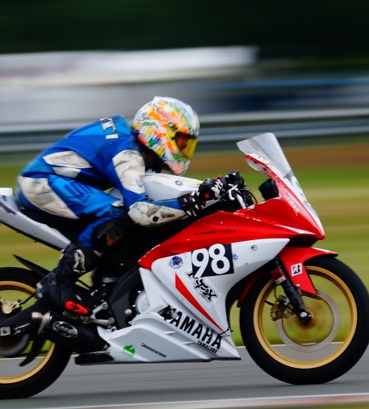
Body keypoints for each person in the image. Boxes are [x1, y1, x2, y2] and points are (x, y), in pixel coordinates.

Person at [16, 96, 219, 315]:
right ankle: (57, 281)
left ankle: (105, 282)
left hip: (52, 182)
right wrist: (189, 202)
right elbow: (140, 212)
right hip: (41, 183)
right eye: (181, 142)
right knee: (118, 214)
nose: (184, 150)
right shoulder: (128, 154)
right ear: (160, 131)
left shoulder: (134, 149)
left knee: (122, 219)